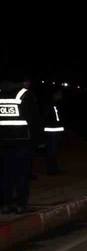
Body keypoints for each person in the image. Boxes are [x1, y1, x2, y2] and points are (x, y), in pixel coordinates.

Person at [1, 73, 43, 214]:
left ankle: (5, 205)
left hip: (3, 142)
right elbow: (34, 120)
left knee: (5, 174)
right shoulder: (26, 95)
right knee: (21, 174)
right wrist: (39, 140)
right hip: (23, 142)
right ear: (23, 82)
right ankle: (21, 204)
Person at [43, 89, 66, 175]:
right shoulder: (50, 104)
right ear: (55, 95)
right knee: (52, 151)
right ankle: (51, 169)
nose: (61, 96)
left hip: (55, 131)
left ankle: (53, 168)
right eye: (60, 94)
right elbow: (50, 118)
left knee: (53, 151)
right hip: (52, 131)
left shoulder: (56, 104)